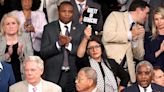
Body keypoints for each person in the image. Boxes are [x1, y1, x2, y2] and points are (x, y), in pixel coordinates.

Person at [40, 1, 87, 92]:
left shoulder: (81, 28)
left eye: (70, 12)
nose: (67, 14)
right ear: (58, 11)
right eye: (64, 11)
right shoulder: (49, 28)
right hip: (53, 74)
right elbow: (43, 52)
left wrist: (68, 45)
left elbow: (83, 52)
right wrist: (58, 44)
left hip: (74, 74)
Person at [102, 0, 149, 83]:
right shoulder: (115, 16)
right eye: (146, 13)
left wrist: (135, 41)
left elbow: (139, 56)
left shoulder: (140, 29)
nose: (147, 17)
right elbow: (107, 36)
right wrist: (130, 35)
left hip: (128, 74)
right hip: (111, 68)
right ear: (138, 10)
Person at [0, 13, 33, 82]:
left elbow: (30, 58)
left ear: (18, 25)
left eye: (13, 23)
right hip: (3, 75)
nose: (11, 26)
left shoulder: (25, 37)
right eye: (8, 24)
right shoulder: (0, 39)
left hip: (22, 74)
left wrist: (21, 54)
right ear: (3, 27)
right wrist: (7, 55)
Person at [144, 6, 164, 71]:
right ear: (153, 21)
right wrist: (160, 50)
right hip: (155, 72)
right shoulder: (149, 36)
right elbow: (146, 58)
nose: (159, 22)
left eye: (162, 18)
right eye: (156, 19)